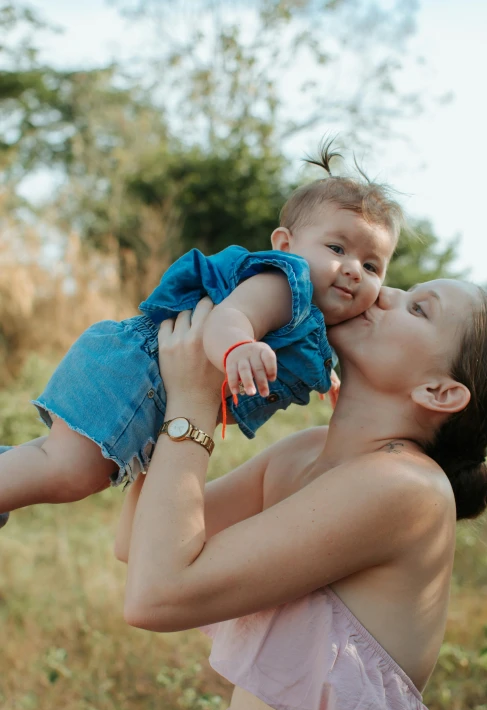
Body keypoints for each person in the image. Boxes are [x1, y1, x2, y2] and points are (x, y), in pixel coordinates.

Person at [116, 282, 487, 710]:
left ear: (439, 392)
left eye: (418, 309)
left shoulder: (407, 487)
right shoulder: (305, 451)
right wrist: (165, 386)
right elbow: (135, 542)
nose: (381, 292)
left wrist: (194, 403)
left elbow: (155, 597)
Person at [0, 145, 401, 528]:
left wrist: (326, 377)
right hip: (139, 374)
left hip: (141, 380)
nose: (353, 269)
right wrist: (239, 346)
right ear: (286, 244)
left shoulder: (313, 324)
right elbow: (229, 318)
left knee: (51, 459)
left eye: (371, 265)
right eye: (336, 248)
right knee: (71, 473)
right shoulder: (286, 284)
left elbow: (293, 350)